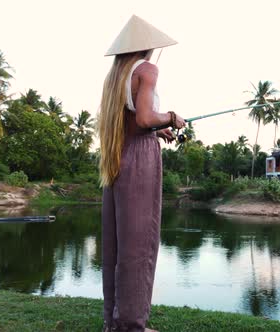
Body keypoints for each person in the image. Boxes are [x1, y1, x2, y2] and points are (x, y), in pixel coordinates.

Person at [97, 15, 185, 332]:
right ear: (146, 46)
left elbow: (134, 122)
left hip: (118, 155)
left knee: (117, 245)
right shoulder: (147, 70)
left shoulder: (116, 75)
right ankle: (133, 325)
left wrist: (157, 131)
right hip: (140, 160)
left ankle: (114, 321)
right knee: (139, 244)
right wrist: (171, 117)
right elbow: (147, 115)